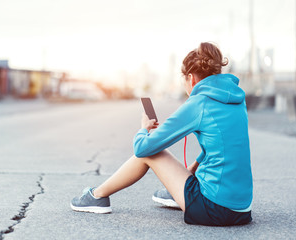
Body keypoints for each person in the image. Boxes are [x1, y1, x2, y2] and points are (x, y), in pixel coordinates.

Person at [70, 42, 253, 226]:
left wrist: (144, 129)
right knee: (179, 162)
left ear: (191, 78)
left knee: (151, 153)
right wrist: (190, 171)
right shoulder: (237, 100)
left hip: (215, 209)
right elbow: (223, 145)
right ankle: (179, 192)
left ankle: (97, 195)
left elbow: (143, 149)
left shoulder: (199, 103)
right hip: (242, 210)